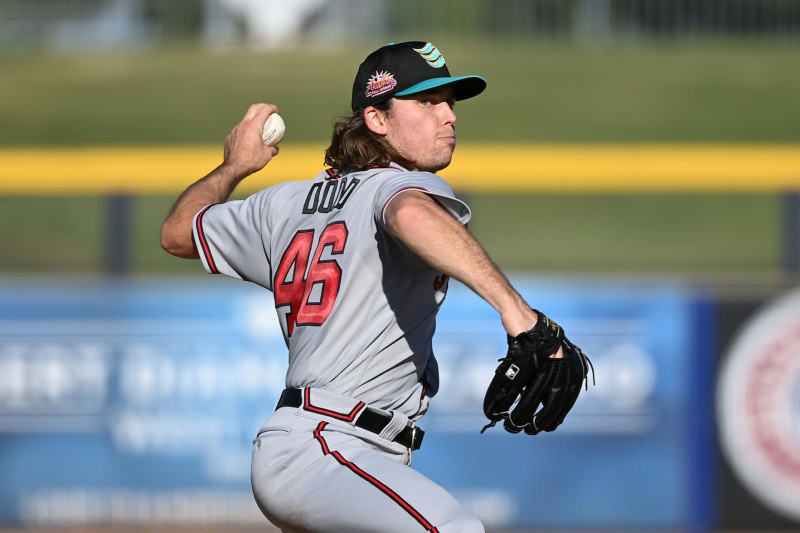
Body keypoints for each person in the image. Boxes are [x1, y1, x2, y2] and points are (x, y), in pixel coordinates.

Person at [161, 40, 564, 533]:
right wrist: (518, 314)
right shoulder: (399, 186)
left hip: (327, 449)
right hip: (329, 445)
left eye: (450, 103)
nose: (448, 116)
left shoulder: (283, 204)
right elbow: (410, 214)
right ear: (376, 120)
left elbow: (178, 233)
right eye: (427, 102)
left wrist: (235, 168)